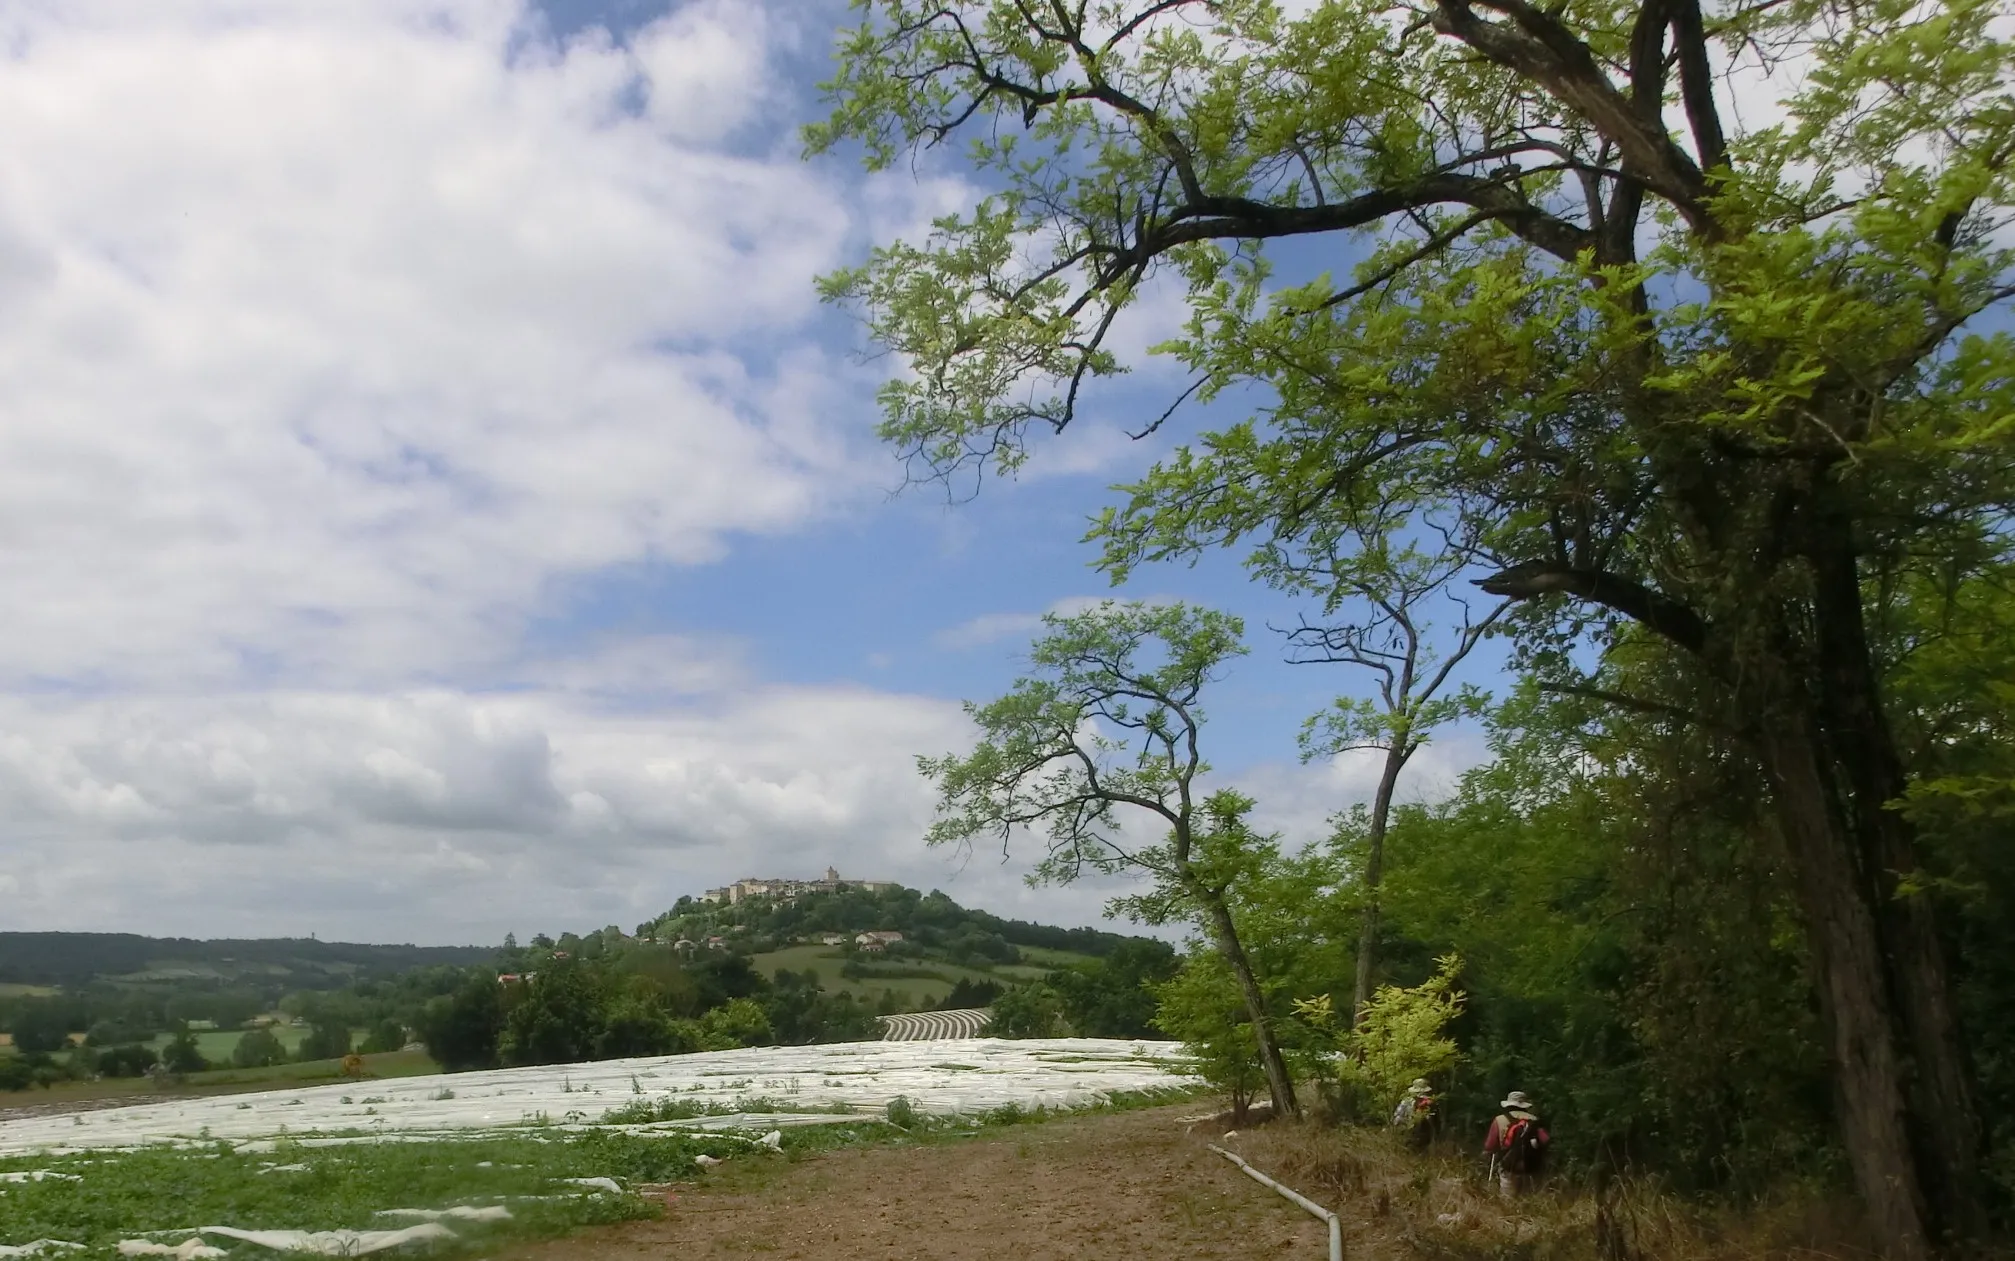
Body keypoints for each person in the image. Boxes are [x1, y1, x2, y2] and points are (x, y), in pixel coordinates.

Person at [1483, 1090, 1549, 1197]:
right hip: (1530, 1167)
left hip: (1509, 1165)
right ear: (1525, 1105)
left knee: (1507, 1200)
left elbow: (1490, 1145)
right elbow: (1545, 1140)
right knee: (1527, 1199)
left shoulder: (1499, 1120)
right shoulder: (1534, 1121)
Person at [1390, 1078, 1436, 1148]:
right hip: (1407, 1132)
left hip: (1424, 1136)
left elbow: (1433, 1122)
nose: (1420, 1095)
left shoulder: (1429, 1103)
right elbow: (1397, 1117)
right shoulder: (1406, 1102)